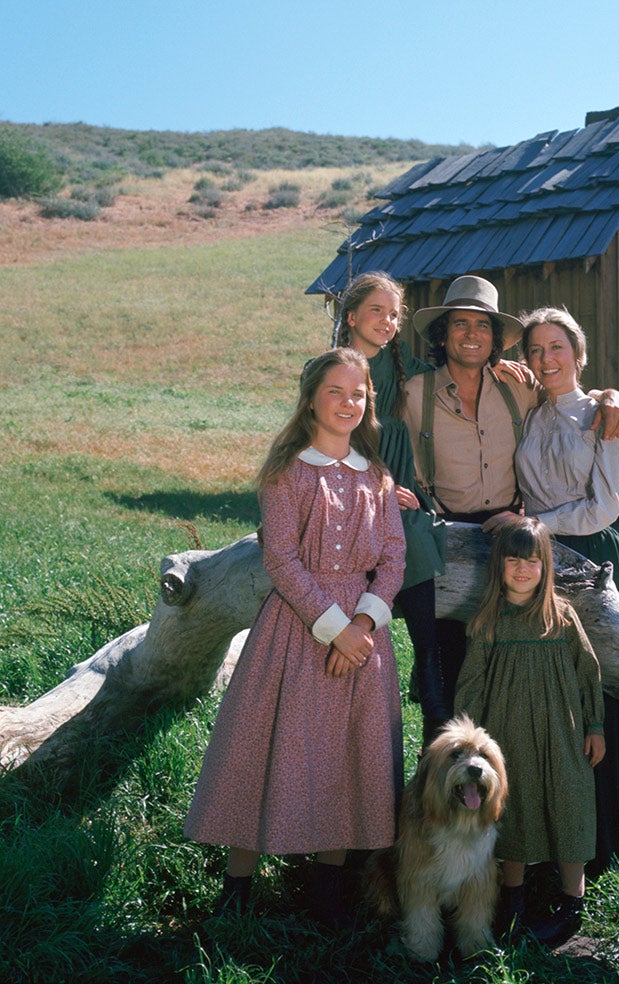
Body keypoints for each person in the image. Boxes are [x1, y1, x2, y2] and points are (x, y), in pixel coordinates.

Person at [184, 348, 406, 928]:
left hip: (363, 642)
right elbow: (281, 560)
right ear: (311, 398)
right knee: (265, 749)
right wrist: (332, 630)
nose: (348, 403)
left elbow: (394, 559)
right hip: (295, 632)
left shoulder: (377, 479)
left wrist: (360, 627)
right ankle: (238, 889)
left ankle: (327, 892)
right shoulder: (287, 473)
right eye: (336, 391)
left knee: (347, 758)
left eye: (358, 394)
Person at [482, 306, 619, 875]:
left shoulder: (604, 414)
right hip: (532, 557)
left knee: (602, 688)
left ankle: (615, 837)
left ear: (578, 353)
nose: (545, 359)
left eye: (556, 347)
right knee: (548, 689)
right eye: (535, 350)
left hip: (590, 556)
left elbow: (606, 504)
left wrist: (538, 526)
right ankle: (545, 839)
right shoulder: (527, 411)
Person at [401, 275, 619, 730]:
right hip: (446, 532)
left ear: (495, 341)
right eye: (460, 324)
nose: (471, 334)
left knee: (525, 664)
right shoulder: (415, 394)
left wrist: (611, 395)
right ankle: (443, 777)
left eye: (483, 326)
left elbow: (572, 393)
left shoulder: (517, 388)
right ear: (442, 334)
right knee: (446, 671)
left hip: (518, 539)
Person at [454, 516, 606, 946]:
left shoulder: (561, 616)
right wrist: (471, 746)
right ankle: (513, 902)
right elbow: (471, 685)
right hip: (507, 736)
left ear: (546, 566)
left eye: (533, 561)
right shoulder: (488, 621)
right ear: (499, 564)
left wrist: (595, 726)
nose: (523, 569)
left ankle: (572, 902)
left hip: (563, 733)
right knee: (513, 810)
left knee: (570, 802)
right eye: (514, 560)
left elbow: (588, 672)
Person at [334, 271, 448, 746]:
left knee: (417, 527)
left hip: (396, 497)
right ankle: (424, 677)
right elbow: (321, 443)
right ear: (353, 316)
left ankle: (430, 679)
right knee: (411, 532)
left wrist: (509, 369)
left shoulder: (404, 367)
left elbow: (459, 373)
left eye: (394, 314)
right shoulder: (330, 370)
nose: (387, 321)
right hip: (345, 495)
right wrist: (380, 489)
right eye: (376, 311)